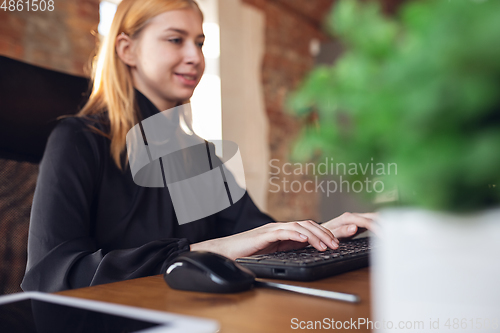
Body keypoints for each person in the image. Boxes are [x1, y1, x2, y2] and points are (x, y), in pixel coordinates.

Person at [21, 0, 376, 293]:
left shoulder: (198, 156)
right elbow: (52, 275)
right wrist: (206, 250)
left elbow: (258, 234)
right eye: (176, 40)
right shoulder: (78, 140)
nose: (195, 57)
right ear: (127, 49)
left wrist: (327, 232)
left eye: (200, 42)